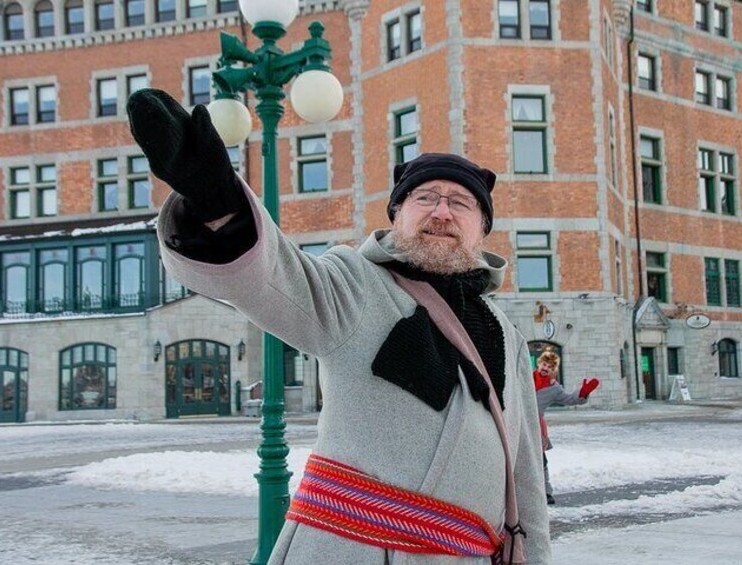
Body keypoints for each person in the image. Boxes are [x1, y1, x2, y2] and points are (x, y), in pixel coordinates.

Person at [127, 89, 551, 565]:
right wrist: (216, 202)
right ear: (396, 217)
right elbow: (276, 276)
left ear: (482, 230)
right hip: (355, 552)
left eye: (460, 202)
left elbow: (526, 473)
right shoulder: (355, 282)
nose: (442, 211)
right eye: (425, 197)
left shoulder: (507, 334)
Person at [532, 348, 599, 505]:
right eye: (544, 364)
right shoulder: (526, 378)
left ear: (553, 370)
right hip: (517, 421)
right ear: (539, 363)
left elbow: (569, 399)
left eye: (550, 367)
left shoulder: (554, 388)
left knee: (541, 460)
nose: (545, 368)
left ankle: (546, 492)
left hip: (535, 425)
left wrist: (582, 393)